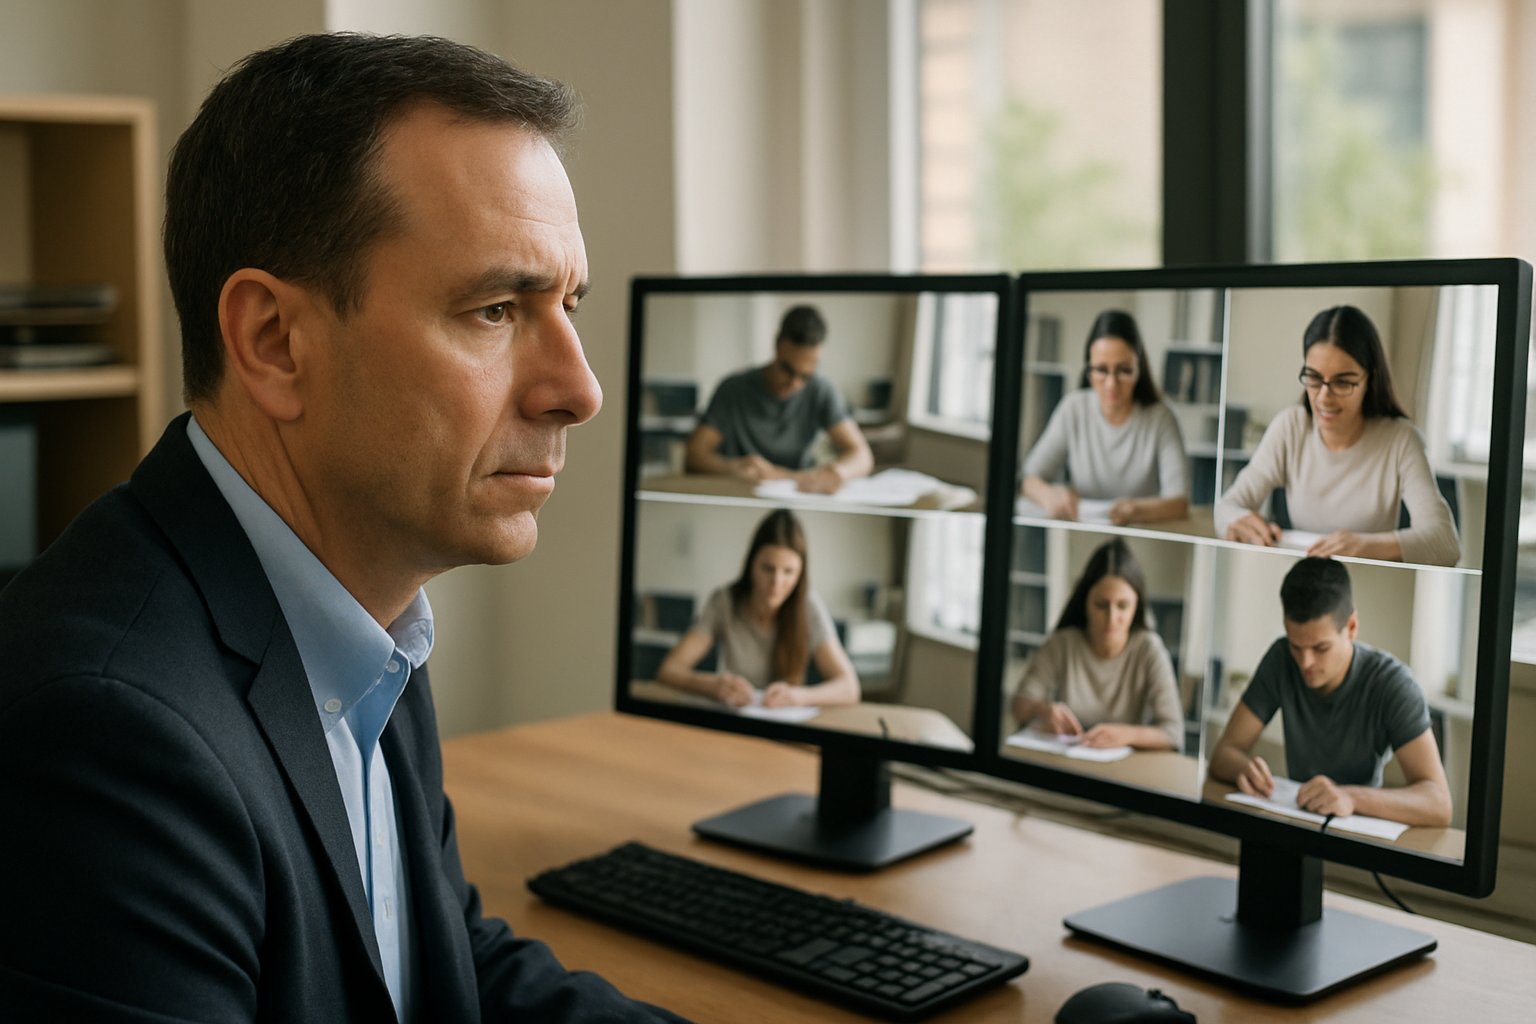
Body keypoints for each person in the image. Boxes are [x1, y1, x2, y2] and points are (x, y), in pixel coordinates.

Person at [0, 34, 686, 1022]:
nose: (580, 389)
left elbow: (434, 962)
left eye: (567, 305)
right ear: (275, 343)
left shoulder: (361, 608)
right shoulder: (105, 733)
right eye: (497, 308)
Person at [1208, 557, 1452, 827]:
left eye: (1320, 648)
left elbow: (1439, 803)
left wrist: (1350, 797)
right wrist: (1243, 768)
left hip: (1358, 836)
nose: (1305, 663)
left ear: (1351, 628)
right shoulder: (1280, 659)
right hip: (1300, 825)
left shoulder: (1394, 683)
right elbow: (1223, 754)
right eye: (1296, 646)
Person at [1215, 304, 1460, 566]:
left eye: (1343, 382)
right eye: (1314, 378)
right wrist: (1239, 522)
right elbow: (1225, 508)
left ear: (1370, 380)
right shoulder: (1290, 427)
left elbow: (1445, 544)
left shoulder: (1401, 440)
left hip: (1372, 589)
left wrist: (1364, 545)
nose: (1323, 397)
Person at [656, 509, 860, 709]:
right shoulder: (724, 601)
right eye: (768, 569)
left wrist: (799, 696)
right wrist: (712, 685)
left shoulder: (808, 605)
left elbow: (849, 688)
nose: (777, 583)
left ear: (801, 574)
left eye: (789, 572)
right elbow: (669, 670)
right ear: (751, 564)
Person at [1010, 538, 1184, 750]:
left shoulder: (1149, 649)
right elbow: (1019, 706)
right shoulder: (1062, 643)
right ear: (1085, 603)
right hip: (1067, 758)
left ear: (1137, 606)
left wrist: (1128, 734)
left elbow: (1174, 734)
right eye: (1101, 605)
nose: (1112, 619)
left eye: (1123, 606)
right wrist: (1043, 710)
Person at [1020, 310, 1189, 526]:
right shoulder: (1073, 409)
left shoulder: (1161, 418)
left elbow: (1179, 502)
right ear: (1089, 371)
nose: (1111, 384)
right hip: (1080, 535)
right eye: (1101, 370)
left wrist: (1136, 510)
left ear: (1139, 370)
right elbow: (1028, 478)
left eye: (1124, 370)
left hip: (1144, 535)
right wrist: (1049, 494)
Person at [684, 305, 874, 494]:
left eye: (805, 376)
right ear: (777, 344)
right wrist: (731, 468)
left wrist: (837, 472)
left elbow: (862, 456)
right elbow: (694, 455)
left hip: (799, 497)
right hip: (742, 496)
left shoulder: (821, 391)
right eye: (788, 370)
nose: (795, 383)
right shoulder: (733, 389)